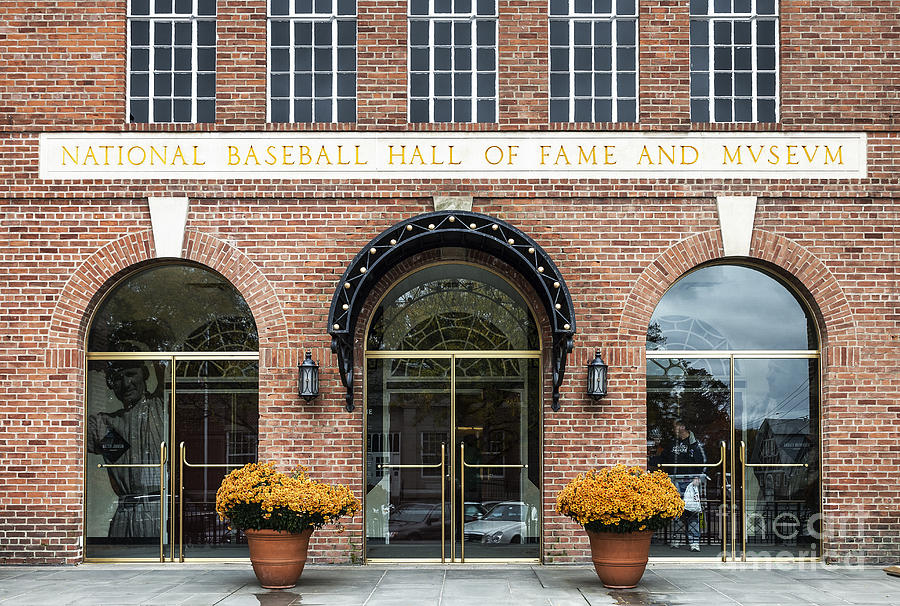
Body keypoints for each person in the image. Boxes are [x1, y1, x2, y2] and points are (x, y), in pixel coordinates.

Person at [87, 359, 167, 538]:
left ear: (144, 375)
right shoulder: (105, 423)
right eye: (117, 378)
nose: (125, 384)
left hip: (158, 511)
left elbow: (166, 372)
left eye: (131, 374)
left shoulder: (161, 406)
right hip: (125, 515)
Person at [682, 476, 703, 552]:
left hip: (688, 504)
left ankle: (694, 543)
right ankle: (694, 543)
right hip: (691, 505)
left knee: (691, 522)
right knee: (691, 522)